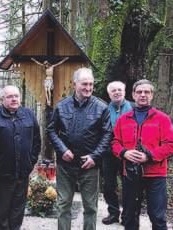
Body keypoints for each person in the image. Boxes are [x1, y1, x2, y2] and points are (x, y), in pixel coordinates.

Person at [46, 67, 112, 230]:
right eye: (84, 84)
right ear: (74, 84)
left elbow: (107, 134)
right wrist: (62, 149)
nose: (88, 88)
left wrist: (94, 157)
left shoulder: (101, 107)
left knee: (90, 207)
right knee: (63, 206)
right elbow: (51, 130)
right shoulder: (62, 106)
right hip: (66, 165)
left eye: (91, 84)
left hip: (89, 165)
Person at [112, 79, 173, 230]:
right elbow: (115, 143)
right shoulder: (123, 119)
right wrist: (124, 152)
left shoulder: (162, 119)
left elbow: (171, 145)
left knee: (157, 217)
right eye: (139, 92)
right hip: (130, 174)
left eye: (146, 92)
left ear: (152, 95)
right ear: (133, 95)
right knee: (129, 216)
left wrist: (149, 156)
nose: (143, 95)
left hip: (155, 175)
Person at [0, 85, 41, 230]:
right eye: (10, 96)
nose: (14, 99)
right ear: (2, 99)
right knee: (1, 214)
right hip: (1, 176)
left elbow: (36, 141)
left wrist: (30, 163)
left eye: (16, 96)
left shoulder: (28, 115)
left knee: (17, 213)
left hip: (22, 174)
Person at [102, 81, 133, 225]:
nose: (117, 92)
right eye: (113, 91)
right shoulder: (103, 109)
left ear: (125, 91)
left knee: (129, 186)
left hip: (129, 154)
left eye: (119, 90)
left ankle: (127, 215)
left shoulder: (134, 107)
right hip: (109, 154)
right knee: (109, 185)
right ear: (109, 94)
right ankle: (113, 213)